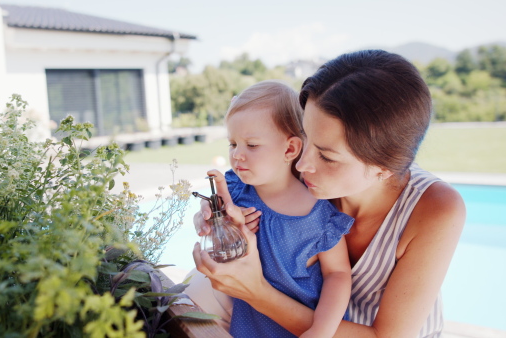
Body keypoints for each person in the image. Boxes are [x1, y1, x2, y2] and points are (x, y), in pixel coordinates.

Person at [190, 50, 466, 337]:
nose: (302, 162)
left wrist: (257, 293)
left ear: (383, 168)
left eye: (327, 156)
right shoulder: (295, 171)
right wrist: (218, 216)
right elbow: (238, 190)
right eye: (306, 136)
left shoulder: (435, 209)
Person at [186, 80, 355, 338]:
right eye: (233, 144)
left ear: (290, 149)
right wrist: (209, 217)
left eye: (251, 145)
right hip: (248, 325)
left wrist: (322, 330)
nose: (237, 155)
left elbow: (338, 274)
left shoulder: (317, 214)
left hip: (295, 327)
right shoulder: (235, 189)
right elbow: (215, 211)